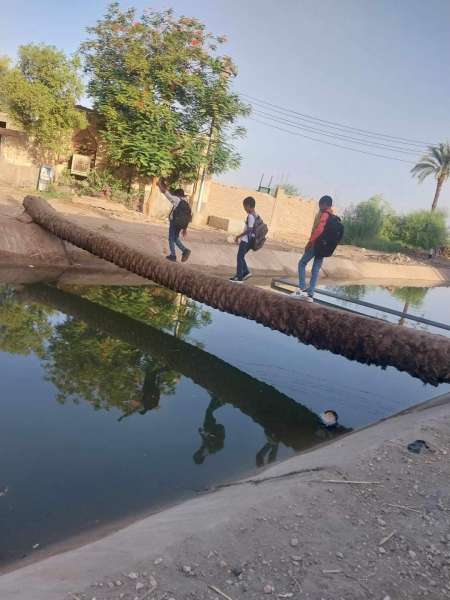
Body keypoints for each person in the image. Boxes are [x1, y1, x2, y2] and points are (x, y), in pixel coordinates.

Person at [294, 195, 334, 302]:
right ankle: (310, 294)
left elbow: (319, 230)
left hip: (316, 244)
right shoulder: (333, 216)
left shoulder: (324, 214)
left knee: (302, 263)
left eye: (320, 204)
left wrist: (310, 242)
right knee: (316, 269)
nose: (319, 206)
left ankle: (302, 288)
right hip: (324, 248)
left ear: (325, 204)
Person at [158, 180, 191, 263]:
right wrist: (185, 228)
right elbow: (188, 216)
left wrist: (160, 185)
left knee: (171, 239)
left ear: (177, 195)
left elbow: (167, 194)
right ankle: (185, 250)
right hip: (181, 224)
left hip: (174, 222)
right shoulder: (186, 202)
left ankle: (173, 255)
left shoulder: (177, 199)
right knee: (175, 238)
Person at [230, 196, 257, 282]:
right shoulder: (255, 215)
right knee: (241, 257)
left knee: (239, 257)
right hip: (249, 240)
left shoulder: (250, 216)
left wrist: (238, 236)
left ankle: (239, 277)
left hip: (245, 240)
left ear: (248, 206)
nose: (244, 208)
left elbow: (249, 230)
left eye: (244, 206)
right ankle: (245, 272)